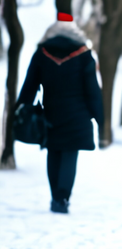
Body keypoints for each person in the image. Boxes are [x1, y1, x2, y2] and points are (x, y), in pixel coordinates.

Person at [15, 12, 103, 214]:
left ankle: (55, 196)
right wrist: (100, 120)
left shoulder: (42, 53)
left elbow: (30, 85)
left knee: (53, 153)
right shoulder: (83, 55)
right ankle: (62, 198)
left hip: (51, 113)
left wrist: (21, 109)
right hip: (78, 116)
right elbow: (93, 92)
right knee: (69, 156)